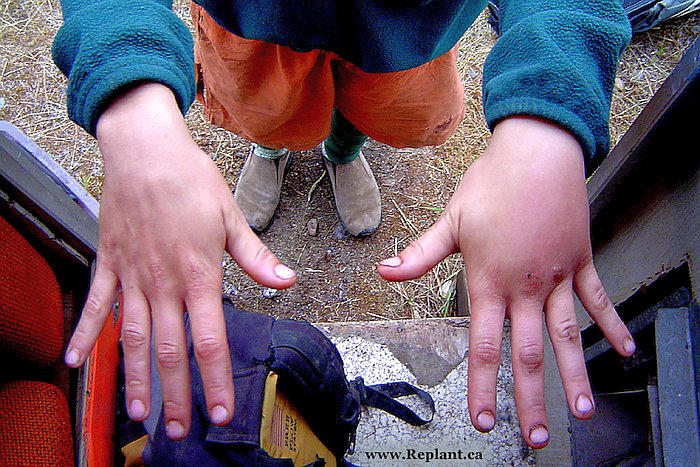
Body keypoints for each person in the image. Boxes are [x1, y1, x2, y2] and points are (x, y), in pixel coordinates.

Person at [52, 0, 636, 450]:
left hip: (406, 35)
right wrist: (131, 108)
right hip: (253, 27)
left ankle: (343, 148)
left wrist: (547, 123)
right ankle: (272, 147)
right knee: (269, 110)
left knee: (381, 106)